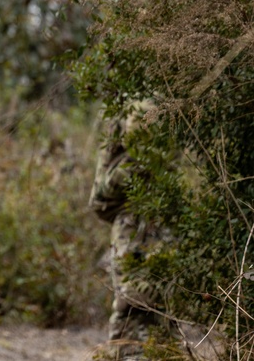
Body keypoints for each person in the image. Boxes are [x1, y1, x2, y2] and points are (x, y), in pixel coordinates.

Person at [89, 107, 180, 361]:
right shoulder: (136, 108)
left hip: (146, 220)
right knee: (137, 303)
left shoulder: (141, 107)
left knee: (144, 303)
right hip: (140, 221)